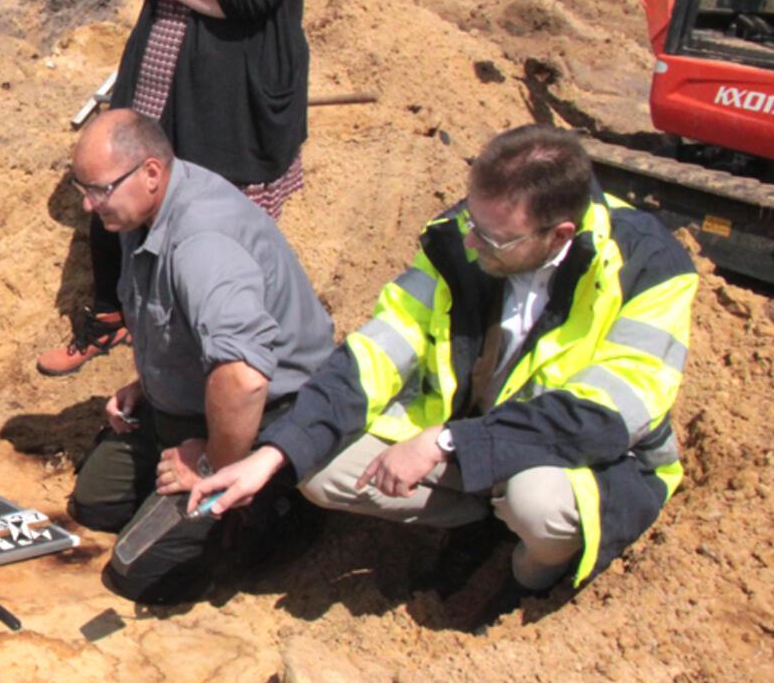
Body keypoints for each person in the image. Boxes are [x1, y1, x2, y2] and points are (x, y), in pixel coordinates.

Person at [174, 126, 697, 620]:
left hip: (575, 458)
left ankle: (531, 578)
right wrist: (272, 455)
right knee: (322, 468)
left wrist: (448, 443)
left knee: (536, 504)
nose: (471, 244)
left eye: (493, 239)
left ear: (558, 234)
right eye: (471, 220)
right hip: (474, 438)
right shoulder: (461, 237)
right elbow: (375, 353)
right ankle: (478, 526)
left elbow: (600, 419)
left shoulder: (649, 267)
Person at [37, 0, 315, 377]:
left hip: (233, 76)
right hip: (161, 56)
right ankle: (111, 316)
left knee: (211, 204)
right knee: (117, 183)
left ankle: (207, 344)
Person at [64, 109, 335, 603]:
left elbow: (245, 379)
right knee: (94, 502)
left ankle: (272, 509)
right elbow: (174, 320)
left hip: (261, 416)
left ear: (150, 172)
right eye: (82, 187)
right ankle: (179, 492)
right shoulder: (141, 210)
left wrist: (211, 464)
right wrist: (148, 384)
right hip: (186, 406)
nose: (87, 204)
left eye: (98, 189)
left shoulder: (203, 242)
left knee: (139, 574)